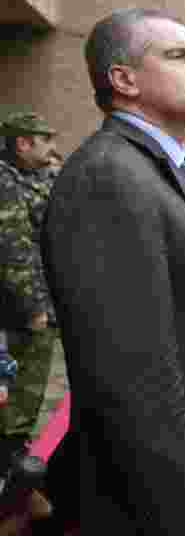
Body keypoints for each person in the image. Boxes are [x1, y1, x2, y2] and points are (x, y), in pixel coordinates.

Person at [40, 8, 185, 534]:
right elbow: (132, 382)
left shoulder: (162, 169)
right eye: (177, 55)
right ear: (123, 79)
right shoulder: (109, 177)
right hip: (179, 503)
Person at [0, 112, 59, 464]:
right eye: (45, 139)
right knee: (25, 385)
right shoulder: (5, 181)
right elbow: (13, 248)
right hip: (21, 303)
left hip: (33, 297)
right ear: (23, 143)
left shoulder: (29, 177)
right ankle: (10, 457)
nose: (53, 148)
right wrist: (34, 306)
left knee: (26, 384)